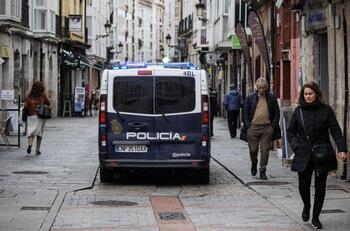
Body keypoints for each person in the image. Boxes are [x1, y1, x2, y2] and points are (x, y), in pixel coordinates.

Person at [287, 82, 347, 229]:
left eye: (310, 93)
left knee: (320, 188)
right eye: (306, 94)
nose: (308, 96)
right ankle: (307, 205)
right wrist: (296, 147)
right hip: (303, 154)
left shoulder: (326, 110)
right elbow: (290, 132)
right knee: (303, 185)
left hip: (322, 153)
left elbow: (336, 131)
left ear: (317, 94)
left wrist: (342, 149)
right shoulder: (298, 111)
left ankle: (315, 217)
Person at [240, 78, 281, 180]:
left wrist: (272, 127)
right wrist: (248, 126)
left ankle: (263, 170)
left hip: (267, 128)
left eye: (263, 88)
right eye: (259, 88)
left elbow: (276, 113)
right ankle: (254, 163)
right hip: (253, 128)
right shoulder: (250, 97)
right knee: (253, 150)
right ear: (256, 88)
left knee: (265, 150)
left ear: (266, 88)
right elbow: (245, 112)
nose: (261, 90)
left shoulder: (271, 97)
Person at [24, 81, 51, 155]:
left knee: (31, 132)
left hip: (31, 116)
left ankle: (30, 145)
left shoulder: (29, 95)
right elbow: (48, 103)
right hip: (40, 116)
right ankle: (37, 150)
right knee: (39, 133)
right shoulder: (42, 96)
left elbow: (25, 106)